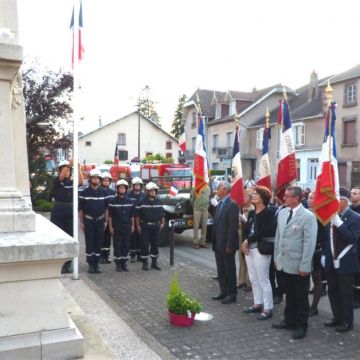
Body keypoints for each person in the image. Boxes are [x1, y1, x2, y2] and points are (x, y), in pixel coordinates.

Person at [272, 185, 317, 340]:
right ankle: (289, 320)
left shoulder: (308, 217)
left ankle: (301, 325)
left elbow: (309, 243)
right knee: (289, 294)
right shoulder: (283, 213)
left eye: (287, 196)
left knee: (301, 296)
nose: (284, 198)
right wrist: (277, 257)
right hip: (284, 262)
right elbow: (279, 236)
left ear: (296, 198)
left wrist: (305, 265)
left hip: (299, 265)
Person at [323, 187, 360, 332]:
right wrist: (325, 256)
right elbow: (328, 238)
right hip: (331, 260)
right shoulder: (331, 215)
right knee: (332, 291)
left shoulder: (356, 218)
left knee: (345, 293)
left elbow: (352, 238)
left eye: (334, 200)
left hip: (346, 261)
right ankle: (336, 317)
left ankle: (347, 321)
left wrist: (339, 223)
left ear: (344, 201)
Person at [241, 186, 276, 320]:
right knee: (253, 278)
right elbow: (247, 230)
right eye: (253, 194)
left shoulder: (268, 213)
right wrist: (245, 241)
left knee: (263, 280)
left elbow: (264, 232)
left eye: (256, 194)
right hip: (250, 249)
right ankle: (257, 303)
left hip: (261, 249)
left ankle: (267, 308)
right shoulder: (251, 213)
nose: (253, 196)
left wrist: (247, 240)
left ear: (263, 197)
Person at [50, 159, 83, 273]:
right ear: (60, 170)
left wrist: (78, 167)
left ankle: (68, 263)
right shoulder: (57, 181)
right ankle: (59, 263)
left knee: (70, 238)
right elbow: (63, 174)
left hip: (69, 212)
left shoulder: (71, 183)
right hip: (58, 212)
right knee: (59, 238)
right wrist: (69, 164)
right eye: (65, 169)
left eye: (69, 169)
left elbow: (80, 182)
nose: (68, 171)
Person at [211, 181, 239, 305]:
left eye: (219, 187)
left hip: (227, 244)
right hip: (218, 242)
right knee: (221, 269)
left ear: (226, 190)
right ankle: (223, 291)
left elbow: (233, 227)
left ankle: (232, 294)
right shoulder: (219, 204)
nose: (217, 189)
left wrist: (230, 245)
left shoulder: (232, 205)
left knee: (229, 269)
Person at [79, 168, 109, 274]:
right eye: (94, 178)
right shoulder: (84, 193)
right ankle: (90, 264)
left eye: (97, 178)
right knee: (90, 242)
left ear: (99, 180)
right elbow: (81, 209)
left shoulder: (104, 192)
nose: (95, 180)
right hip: (89, 221)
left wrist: (105, 221)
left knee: (98, 242)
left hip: (100, 221)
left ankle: (96, 264)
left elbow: (106, 208)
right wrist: (81, 222)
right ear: (90, 179)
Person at [307, 191, 329, 316]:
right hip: (305, 250)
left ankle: (314, 307)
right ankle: (303, 304)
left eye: (312, 198)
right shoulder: (305, 212)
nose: (309, 200)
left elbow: (324, 236)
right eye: (308, 197)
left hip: (317, 251)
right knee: (303, 277)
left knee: (317, 279)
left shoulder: (322, 216)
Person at [135, 182, 164, 271]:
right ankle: (145, 263)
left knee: (155, 244)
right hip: (145, 227)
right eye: (151, 191)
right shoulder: (141, 202)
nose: (153, 192)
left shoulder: (159, 201)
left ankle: (154, 262)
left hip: (156, 226)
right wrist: (138, 226)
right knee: (144, 244)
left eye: (154, 191)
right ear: (147, 192)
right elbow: (137, 216)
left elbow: (162, 214)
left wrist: (162, 223)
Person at [108, 179, 134, 272]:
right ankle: (118, 264)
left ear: (126, 189)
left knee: (126, 245)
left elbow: (132, 215)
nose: (122, 189)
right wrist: (110, 227)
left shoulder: (130, 201)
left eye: (124, 188)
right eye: (120, 188)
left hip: (127, 226)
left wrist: (133, 226)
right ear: (117, 189)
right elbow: (110, 216)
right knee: (118, 245)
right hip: (116, 227)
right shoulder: (112, 201)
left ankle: (124, 263)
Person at [237, 188, 254, 291]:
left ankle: (249, 281)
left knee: (248, 258)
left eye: (246, 196)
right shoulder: (240, 208)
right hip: (240, 233)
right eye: (242, 196)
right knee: (241, 257)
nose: (243, 198)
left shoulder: (252, 208)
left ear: (250, 199)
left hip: (248, 235)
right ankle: (241, 280)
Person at [100, 172, 116, 264]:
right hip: (101, 217)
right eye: (104, 180)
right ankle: (102, 255)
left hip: (111, 218)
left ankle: (107, 254)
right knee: (101, 237)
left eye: (108, 180)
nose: (106, 182)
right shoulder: (99, 191)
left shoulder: (113, 193)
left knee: (108, 237)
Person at [128, 177, 145, 262]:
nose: (137, 186)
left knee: (141, 237)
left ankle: (140, 255)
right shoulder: (128, 195)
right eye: (136, 185)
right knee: (132, 238)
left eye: (139, 185)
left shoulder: (144, 195)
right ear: (133, 185)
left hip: (141, 219)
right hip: (131, 219)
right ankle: (132, 255)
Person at [190, 183, 211, 249]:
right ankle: (195, 242)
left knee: (204, 226)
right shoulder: (195, 188)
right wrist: (195, 207)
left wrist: (207, 206)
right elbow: (192, 199)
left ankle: (202, 242)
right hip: (197, 209)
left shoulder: (208, 189)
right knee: (196, 226)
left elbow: (208, 198)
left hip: (205, 209)